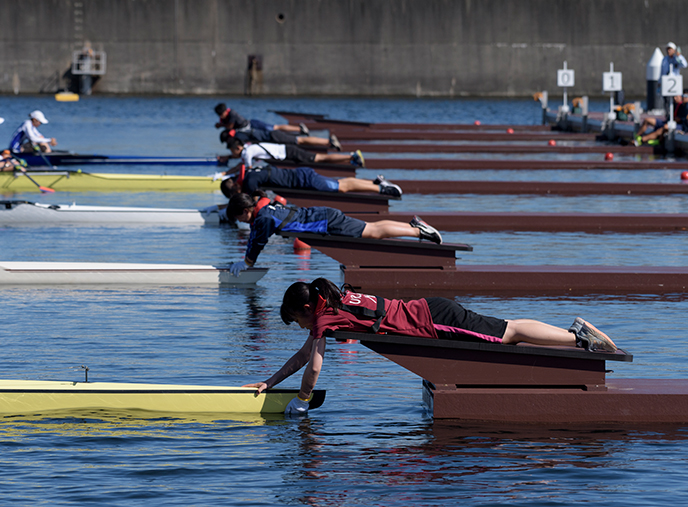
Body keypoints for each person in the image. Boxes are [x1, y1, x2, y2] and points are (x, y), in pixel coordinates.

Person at [243, 277, 619, 414]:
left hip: (436, 320)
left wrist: (302, 400)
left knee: (511, 333)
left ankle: (579, 338)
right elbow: (303, 355)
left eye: (299, 321)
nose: (303, 328)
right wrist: (269, 382)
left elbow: (313, 365)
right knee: (511, 329)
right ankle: (577, 335)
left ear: (308, 309)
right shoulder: (334, 300)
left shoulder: (325, 316)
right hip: (433, 312)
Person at [226, 193, 442, 276]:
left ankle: (417, 230)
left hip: (328, 221)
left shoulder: (262, 218)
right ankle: (415, 226)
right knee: (372, 227)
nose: (241, 223)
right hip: (324, 215)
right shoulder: (264, 209)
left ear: (246, 211)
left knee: (373, 232)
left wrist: (247, 263)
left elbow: (258, 242)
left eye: (239, 218)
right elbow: (256, 236)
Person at [221, 164, 402, 199]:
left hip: (305, 180)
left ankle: (381, 189)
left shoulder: (250, 182)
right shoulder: (252, 172)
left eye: (235, 194)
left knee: (342, 187)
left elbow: (257, 202)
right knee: (341, 183)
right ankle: (375, 183)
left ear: (236, 186)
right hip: (302, 175)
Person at [224, 137, 364, 169]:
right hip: (287, 151)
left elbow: (247, 169)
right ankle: (350, 160)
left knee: (320, 158)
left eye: (232, 151)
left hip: (289, 153)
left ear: (237, 148)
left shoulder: (247, 152)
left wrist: (225, 175)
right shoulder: (250, 147)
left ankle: (352, 156)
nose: (233, 154)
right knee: (320, 159)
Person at [215, 102, 309, 136]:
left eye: (220, 114)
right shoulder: (224, 118)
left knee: (274, 128)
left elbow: (230, 126)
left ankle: (299, 129)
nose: (220, 117)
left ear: (224, 112)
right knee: (272, 131)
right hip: (248, 129)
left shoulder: (232, 114)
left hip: (252, 125)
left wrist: (220, 126)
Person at [220, 126, 342, 151]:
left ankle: (328, 142)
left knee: (300, 140)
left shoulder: (238, 136)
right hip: (273, 135)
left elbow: (241, 148)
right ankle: (328, 142)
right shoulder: (240, 130)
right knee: (299, 140)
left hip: (274, 137)